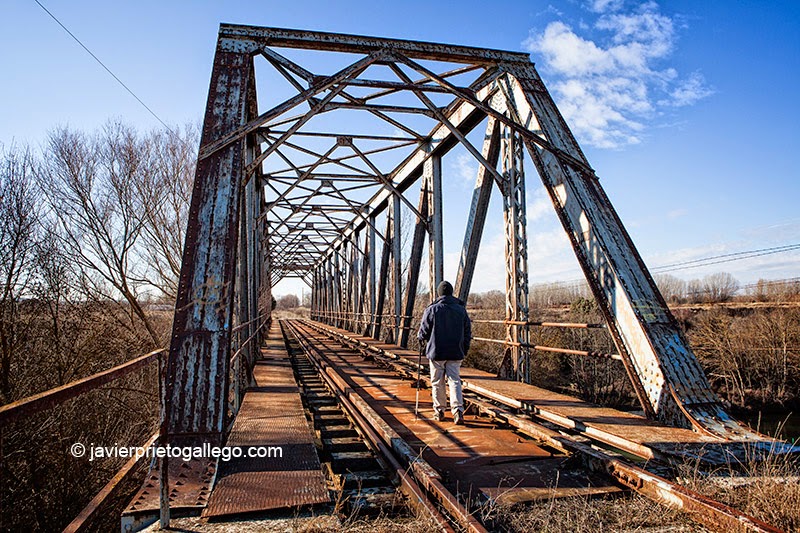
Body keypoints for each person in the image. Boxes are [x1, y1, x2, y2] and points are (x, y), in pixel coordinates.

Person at [417, 280, 472, 425]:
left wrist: (421, 339)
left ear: (439, 293)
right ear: (451, 293)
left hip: (437, 352)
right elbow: (467, 332)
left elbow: (423, 330)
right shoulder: (461, 310)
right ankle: (458, 410)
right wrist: (464, 348)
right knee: (454, 380)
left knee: (437, 381)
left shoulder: (432, 309)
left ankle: (439, 410)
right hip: (455, 352)